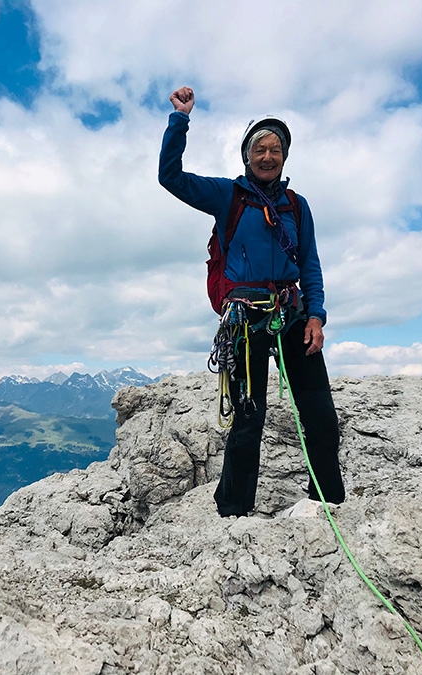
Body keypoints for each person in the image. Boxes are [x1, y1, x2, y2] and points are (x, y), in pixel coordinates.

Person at [158, 86, 345, 517]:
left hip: (293, 315)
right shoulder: (229, 197)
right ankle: (233, 512)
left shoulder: (297, 207)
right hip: (244, 321)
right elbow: (171, 178)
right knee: (248, 421)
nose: (267, 156)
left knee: (320, 414)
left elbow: (310, 263)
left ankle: (330, 503)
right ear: (246, 156)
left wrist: (316, 315)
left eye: (275, 149)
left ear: (284, 158)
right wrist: (180, 120)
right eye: (259, 148)